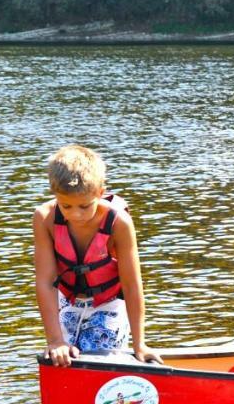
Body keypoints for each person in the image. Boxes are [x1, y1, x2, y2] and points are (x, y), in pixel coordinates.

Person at [32, 144, 159, 367]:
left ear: (100, 192)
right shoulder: (44, 218)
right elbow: (45, 282)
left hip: (108, 304)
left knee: (95, 359)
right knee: (61, 359)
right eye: (66, 206)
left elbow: (131, 285)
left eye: (84, 205)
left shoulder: (119, 223)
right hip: (69, 303)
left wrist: (140, 345)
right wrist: (55, 341)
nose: (76, 214)